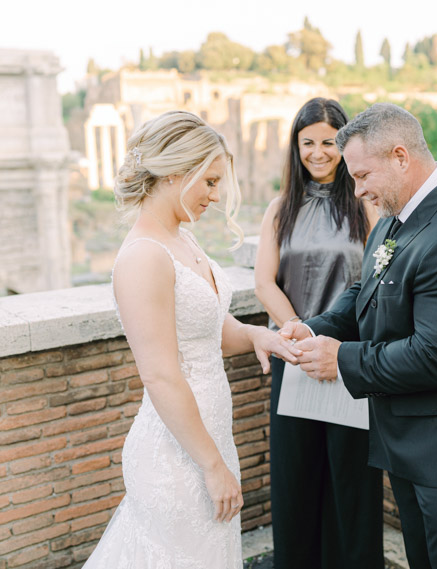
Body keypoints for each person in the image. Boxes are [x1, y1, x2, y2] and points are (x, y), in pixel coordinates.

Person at [281, 103, 437, 569]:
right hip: (411, 443)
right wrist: (316, 328)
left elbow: (436, 357)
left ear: (400, 156)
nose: (357, 191)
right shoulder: (398, 217)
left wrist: (340, 359)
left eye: (362, 175)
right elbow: (364, 293)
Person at [83, 110, 300, 569]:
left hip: (208, 438)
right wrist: (212, 465)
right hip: (178, 455)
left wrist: (263, 335)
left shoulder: (181, 238)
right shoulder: (144, 257)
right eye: (209, 181)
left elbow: (209, 330)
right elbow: (162, 376)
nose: (216, 196)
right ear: (174, 173)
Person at [254, 97, 384, 569]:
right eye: (307, 142)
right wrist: (296, 332)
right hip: (293, 355)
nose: (318, 152)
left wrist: (327, 340)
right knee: (297, 476)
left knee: (350, 479)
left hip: (347, 358)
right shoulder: (278, 209)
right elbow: (264, 282)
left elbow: (372, 281)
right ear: (296, 146)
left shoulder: (365, 204)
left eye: (328, 142)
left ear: (345, 144)